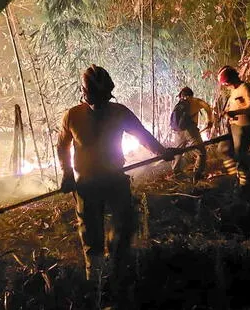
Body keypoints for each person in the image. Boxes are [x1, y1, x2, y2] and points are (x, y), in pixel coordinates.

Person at [57, 64, 173, 283]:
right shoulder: (72, 116)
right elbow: (62, 146)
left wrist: (161, 151)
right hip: (86, 184)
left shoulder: (119, 112)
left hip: (114, 180)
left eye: (104, 98)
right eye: (96, 98)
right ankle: (97, 281)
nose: (100, 103)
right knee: (91, 235)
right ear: (84, 94)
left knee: (123, 225)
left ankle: (118, 270)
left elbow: (142, 135)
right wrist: (67, 173)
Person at [217, 65, 250, 187]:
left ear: (231, 79)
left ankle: (243, 184)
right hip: (233, 126)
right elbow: (232, 106)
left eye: (226, 83)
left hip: (244, 126)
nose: (226, 86)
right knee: (222, 149)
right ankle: (235, 176)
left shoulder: (244, 88)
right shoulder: (233, 91)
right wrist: (226, 113)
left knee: (240, 155)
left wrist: (235, 112)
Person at [170, 86, 213, 183]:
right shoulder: (196, 101)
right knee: (201, 152)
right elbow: (207, 107)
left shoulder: (179, 105)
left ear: (182, 95)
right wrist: (209, 121)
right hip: (191, 130)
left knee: (177, 152)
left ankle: (176, 174)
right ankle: (197, 175)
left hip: (178, 132)